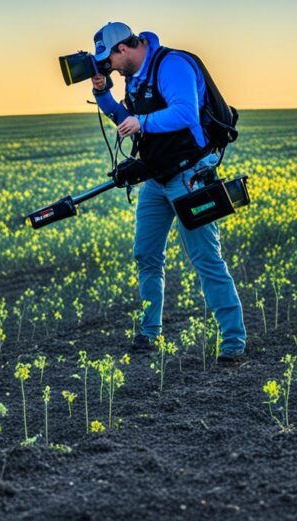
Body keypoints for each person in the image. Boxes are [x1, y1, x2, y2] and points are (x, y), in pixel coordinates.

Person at [89, 22, 246, 365]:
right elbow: (124, 118)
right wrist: (103, 94)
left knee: (206, 258)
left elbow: (185, 112)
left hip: (190, 177)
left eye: (110, 59)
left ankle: (233, 339)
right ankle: (150, 332)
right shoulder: (134, 77)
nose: (109, 66)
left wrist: (141, 124)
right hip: (156, 180)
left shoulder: (171, 65)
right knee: (146, 256)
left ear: (124, 49)